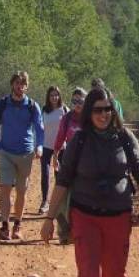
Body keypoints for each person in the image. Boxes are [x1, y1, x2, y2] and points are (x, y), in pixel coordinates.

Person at [40, 86, 139, 277]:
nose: (103, 114)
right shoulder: (79, 141)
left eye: (107, 109)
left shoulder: (125, 138)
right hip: (85, 216)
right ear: (89, 112)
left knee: (114, 274)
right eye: (97, 109)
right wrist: (49, 219)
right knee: (88, 274)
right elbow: (63, 181)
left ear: (114, 111)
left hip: (118, 217)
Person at [0, 71, 44, 241]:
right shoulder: (2, 104)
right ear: (12, 84)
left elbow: (39, 127)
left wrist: (39, 146)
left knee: (21, 191)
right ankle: (5, 226)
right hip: (6, 152)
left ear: (27, 86)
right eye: (17, 83)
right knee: (5, 189)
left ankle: (17, 225)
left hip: (26, 154)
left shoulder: (32, 105)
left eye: (23, 84)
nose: (19, 87)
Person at [51, 87, 87, 242]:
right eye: (74, 101)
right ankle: (64, 232)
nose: (77, 104)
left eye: (80, 101)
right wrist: (55, 155)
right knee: (62, 197)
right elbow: (59, 138)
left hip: (87, 163)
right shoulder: (66, 119)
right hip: (68, 161)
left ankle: (83, 231)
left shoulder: (90, 118)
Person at [40, 86, 68, 215]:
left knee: (59, 176)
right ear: (48, 97)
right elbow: (40, 128)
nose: (54, 97)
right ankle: (45, 202)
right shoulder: (44, 110)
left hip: (61, 147)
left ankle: (59, 204)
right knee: (45, 174)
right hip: (46, 146)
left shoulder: (64, 110)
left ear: (60, 96)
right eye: (52, 95)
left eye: (56, 95)